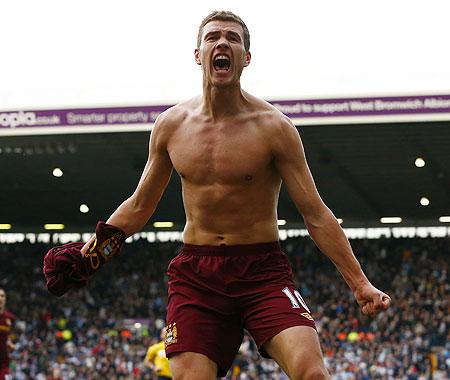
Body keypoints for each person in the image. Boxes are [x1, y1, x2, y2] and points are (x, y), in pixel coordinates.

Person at [44, 10, 391, 380]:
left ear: (246, 57)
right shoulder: (171, 126)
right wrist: (89, 256)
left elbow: (316, 214)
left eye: (232, 38)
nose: (222, 43)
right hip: (197, 277)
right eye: (212, 37)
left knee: (312, 374)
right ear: (198, 54)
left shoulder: (275, 128)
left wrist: (360, 283)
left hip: (263, 273)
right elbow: (140, 205)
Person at [0, 288, 16, 380]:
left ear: (5, 299)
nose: (0, 298)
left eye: (2, 296)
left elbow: (11, 336)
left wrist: (11, 343)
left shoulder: (10, 318)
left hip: (3, 363)